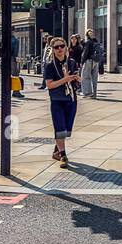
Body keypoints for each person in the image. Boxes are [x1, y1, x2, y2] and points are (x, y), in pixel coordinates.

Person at [44, 36, 79, 169]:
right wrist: (65, 79)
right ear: (52, 49)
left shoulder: (71, 62)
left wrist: (77, 79)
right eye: (56, 47)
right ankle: (63, 155)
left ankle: (57, 150)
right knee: (59, 128)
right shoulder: (50, 66)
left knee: (66, 129)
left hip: (71, 99)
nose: (59, 49)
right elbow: (50, 85)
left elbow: (75, 79)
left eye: (62, 46)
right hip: (57, 100)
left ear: (66, 47)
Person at [80, 29, 101, 98]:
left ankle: (87, 93)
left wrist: (82, 62)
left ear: (86, 35)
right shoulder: (96, 42)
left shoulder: (88, 42)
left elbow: (85, 53)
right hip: (96, 61)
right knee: (94, 78)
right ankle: (94, 94)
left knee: (85, 77)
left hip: (88, 60)